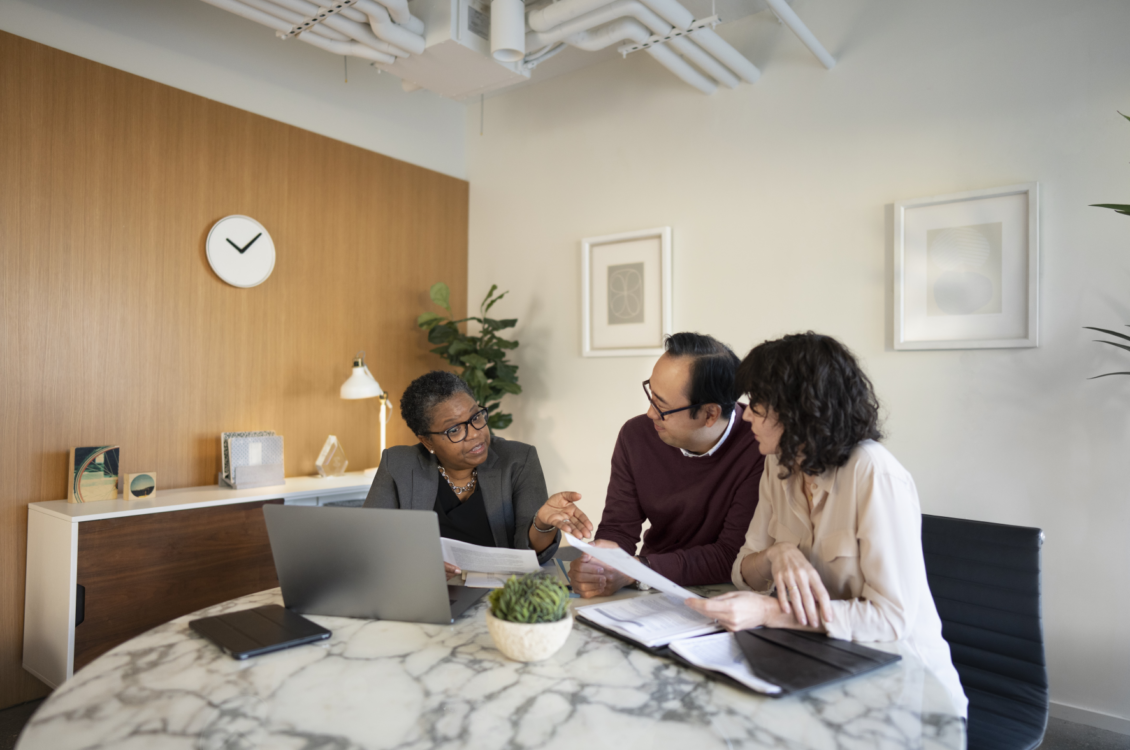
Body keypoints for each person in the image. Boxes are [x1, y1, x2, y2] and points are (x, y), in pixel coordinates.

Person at [685, 332, 967, 716]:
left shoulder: (874, 473)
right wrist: (777, 555)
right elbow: (742, 571)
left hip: (905, 687)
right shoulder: (777, 463)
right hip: (821, 664)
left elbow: (890, 619)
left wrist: (769, 613)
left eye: (758, 404)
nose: (746, 414)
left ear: (798, 410)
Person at [569, 332, 764, 597]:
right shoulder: (636, 435)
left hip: (728, 595)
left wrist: (636, 569)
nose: (650, 413)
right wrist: (600, 566)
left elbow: (731, 554)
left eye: (662, 406)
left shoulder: (760, 445)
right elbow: (619, 528)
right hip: (649, 587)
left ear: (710, 414)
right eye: (651, 394)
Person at [364, 370, 592, 578]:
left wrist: (542, 524)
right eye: (454, 429)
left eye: (476, 418)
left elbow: (533, 555)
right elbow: (369, 543)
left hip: (501, 592)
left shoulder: (518, 460)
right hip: (424, 589)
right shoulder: (398, 464)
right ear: (426, 440)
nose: (474, 434)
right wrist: (418, 565)